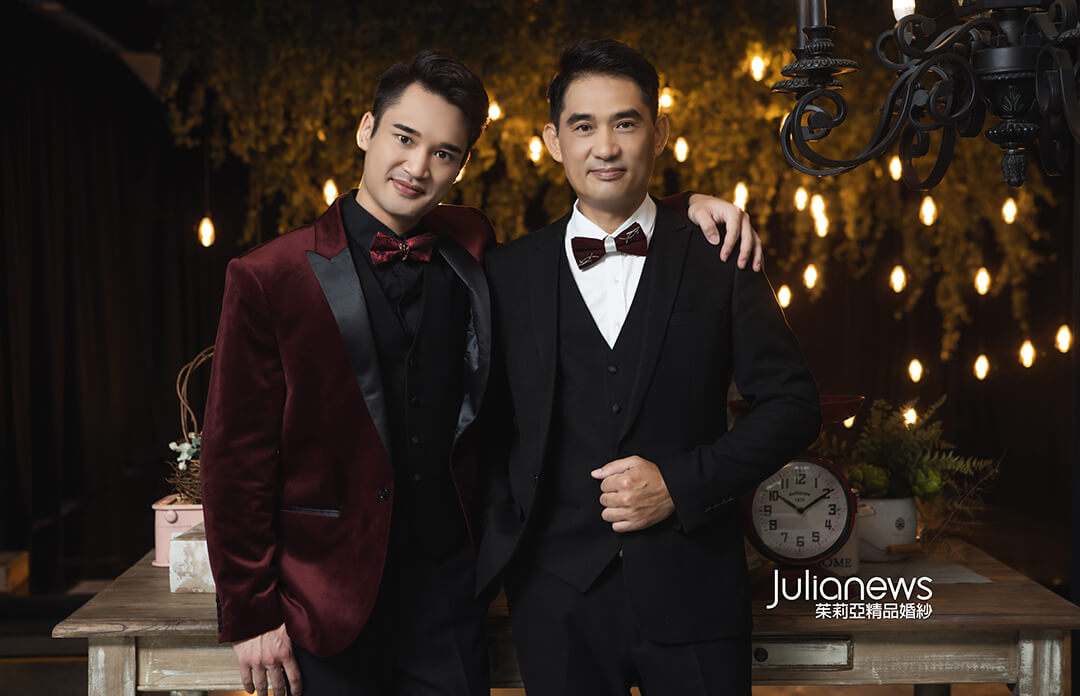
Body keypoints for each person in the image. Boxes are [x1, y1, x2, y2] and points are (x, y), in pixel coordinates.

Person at [201, 49, 762, 696]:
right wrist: (251, 611)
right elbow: (235, 458)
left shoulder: (470, 246)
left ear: (461, 166)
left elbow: (613, 213)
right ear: (366, 129)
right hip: (322, 599)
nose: (418, 167)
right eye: (404, 138)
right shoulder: (268, 275)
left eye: (443, 152)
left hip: (450, 595)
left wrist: (685, 207)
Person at [477, 39, 822, 696]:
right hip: (556, 602)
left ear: (659, 133)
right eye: (583, 126)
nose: (605, 147)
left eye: (626, 123)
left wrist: (681, 483)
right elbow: (486, 432)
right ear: (552, 141)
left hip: (697, 591)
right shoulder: (505, 272)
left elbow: (793, 407)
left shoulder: (720, 255)